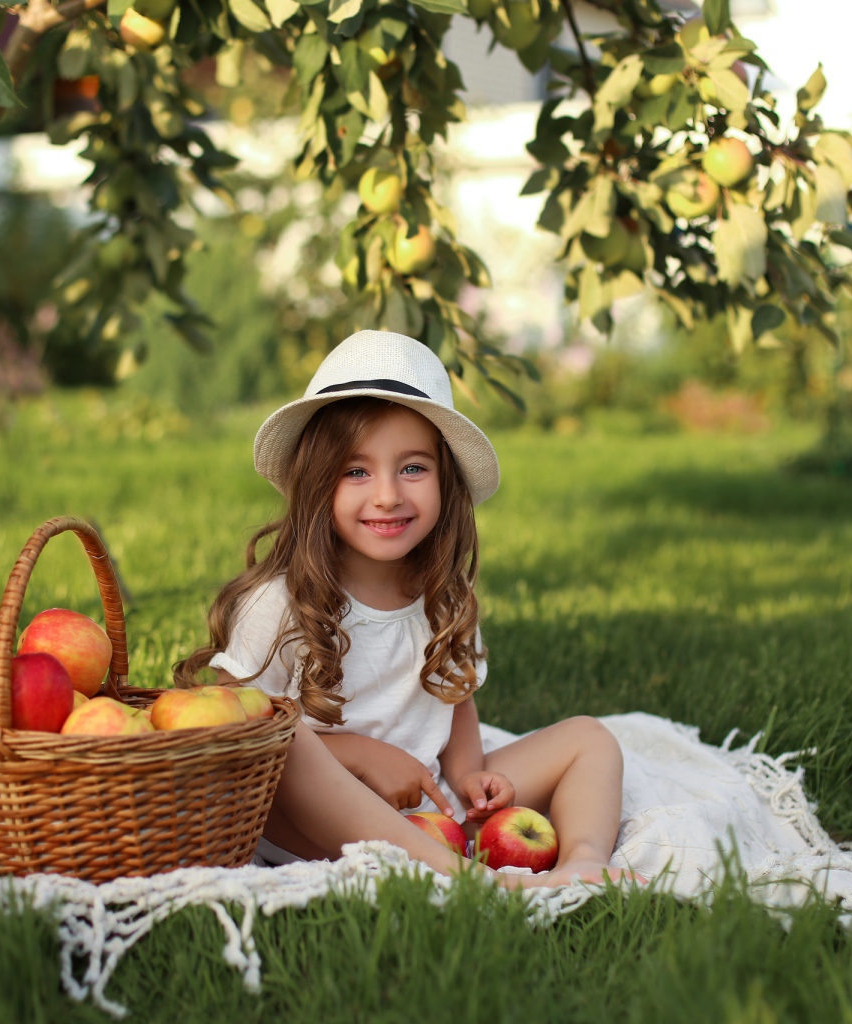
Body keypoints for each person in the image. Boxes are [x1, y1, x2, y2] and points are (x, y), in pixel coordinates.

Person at [175, 330, 631, 890]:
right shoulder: (280, 601)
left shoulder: (444, 595)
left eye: (413, 468)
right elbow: (226, 718)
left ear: (446, 482)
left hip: (429, 805)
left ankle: (582, 862)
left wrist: (468, 775)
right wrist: (363, 755)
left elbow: (455, 697)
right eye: (356, 471)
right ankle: (470, 880)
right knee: (283, 733)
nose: (388, 495)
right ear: (319, 485)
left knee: (591, 738)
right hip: (311, 826)